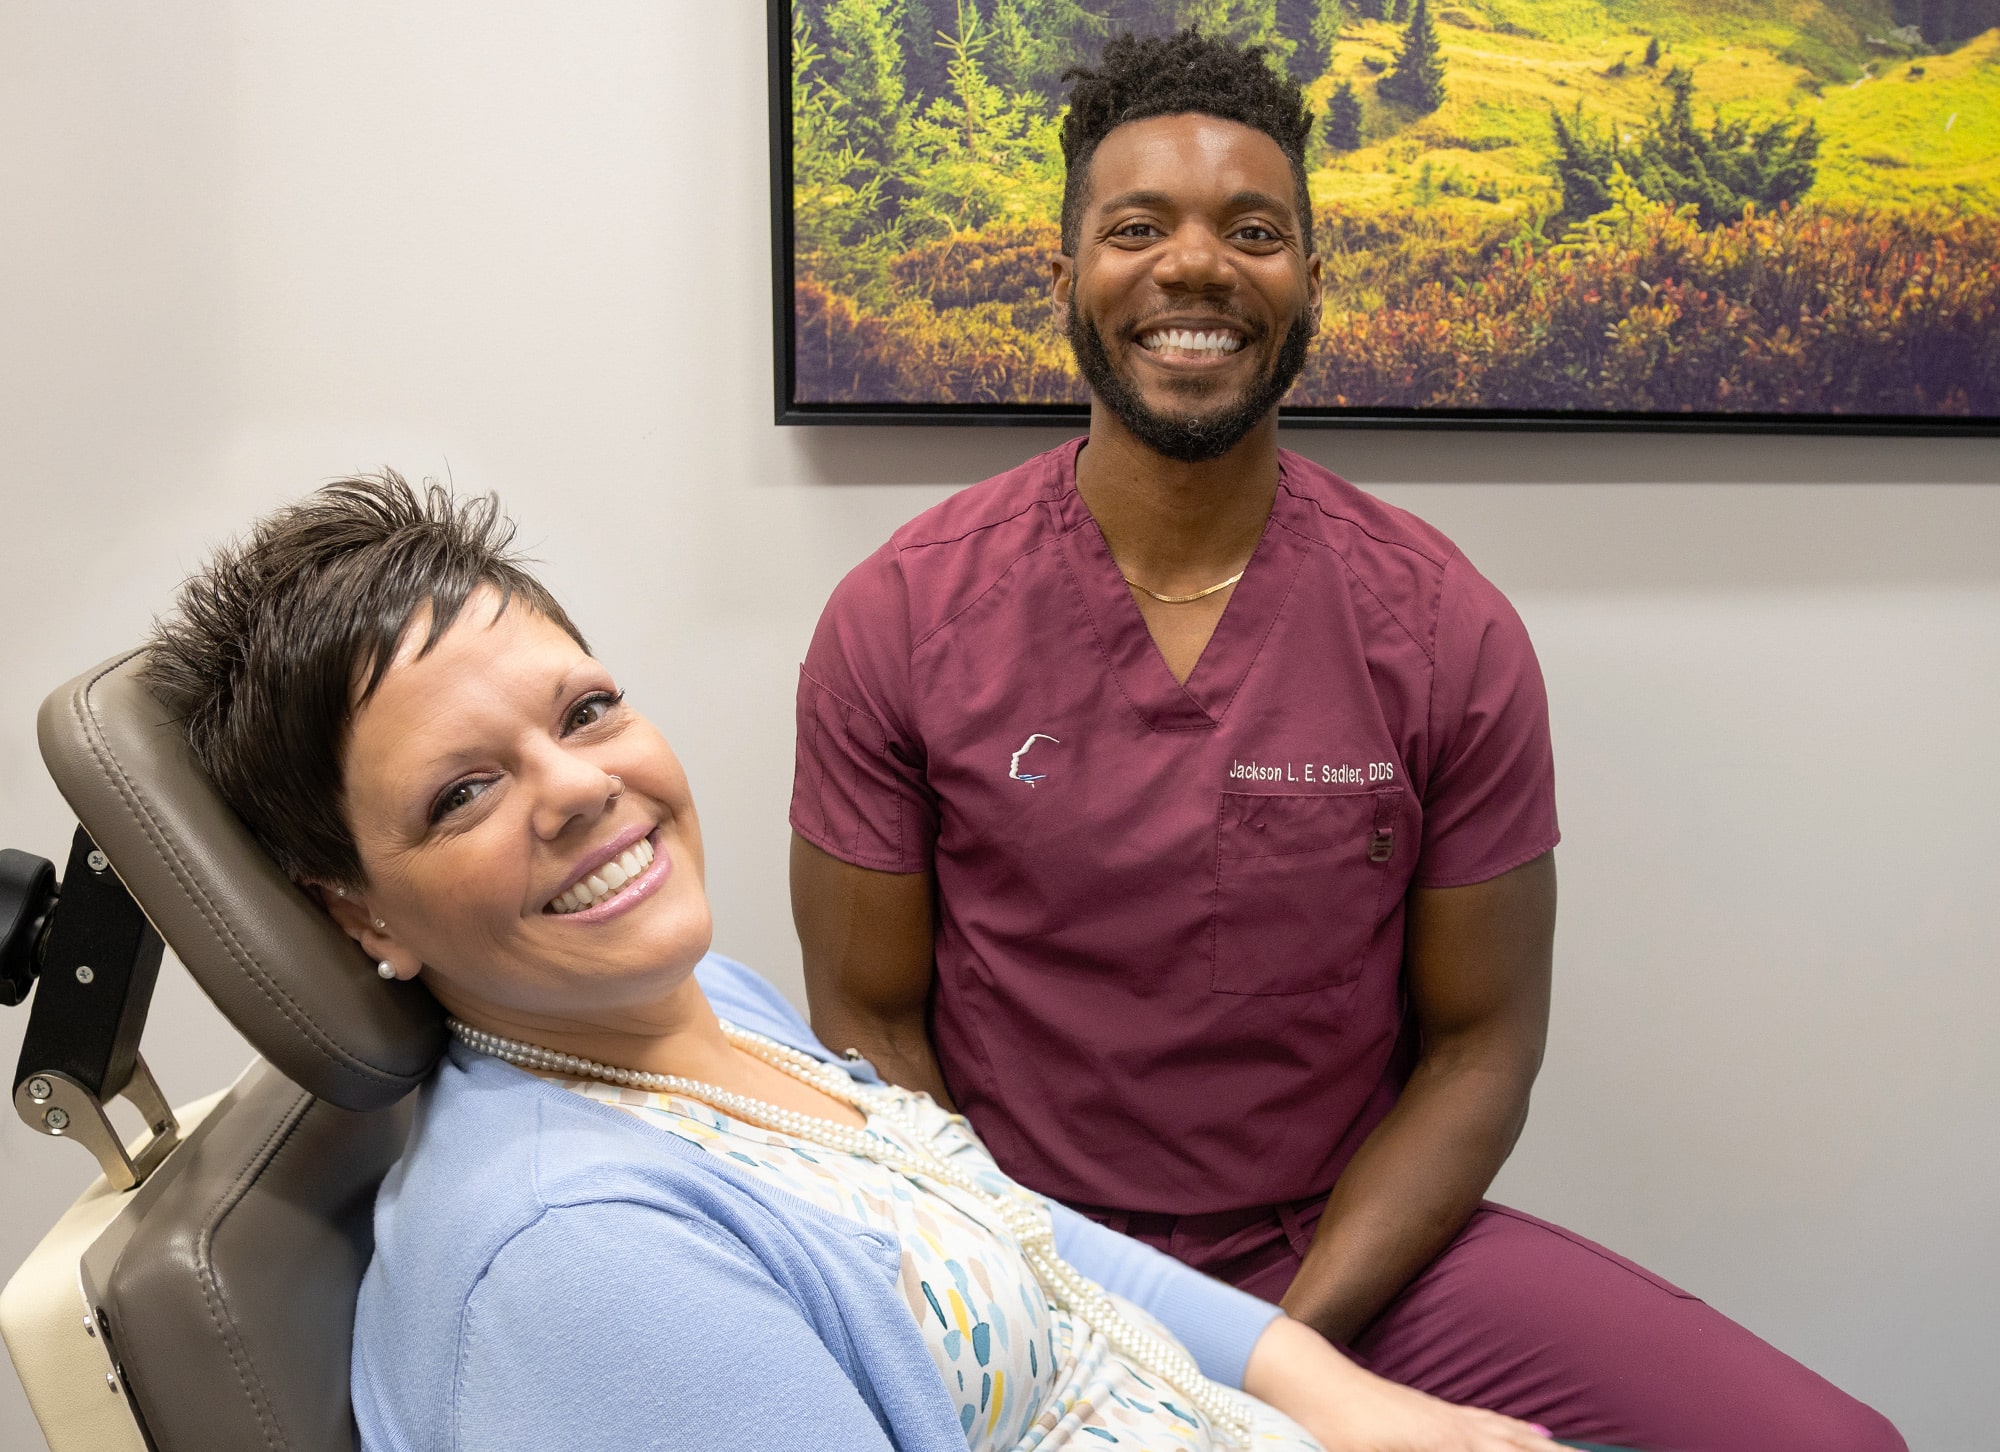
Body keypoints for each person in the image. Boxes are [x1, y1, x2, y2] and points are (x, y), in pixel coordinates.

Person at [789, 31, 1903, 1452]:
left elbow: (1481, 1045)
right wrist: (1045, 1308)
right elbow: (870, 1028)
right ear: (1062, 279)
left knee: (1829, 1446)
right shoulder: (904, 614)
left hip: (1353, 1257)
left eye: (1255, 231)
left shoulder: (1443, 629)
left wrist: (1281, 1363)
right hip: (1028, 1257)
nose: (1196, 266)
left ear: (1313, 282)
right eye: (1137, 228)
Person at [143, 472, 1602, 1452]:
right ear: (363, 918)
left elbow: (1033, 1245)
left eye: (584, 711)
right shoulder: (577, 1263)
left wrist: (1357, 1407)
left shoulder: (705, 1012)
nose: (581, 787)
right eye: (462, 793)